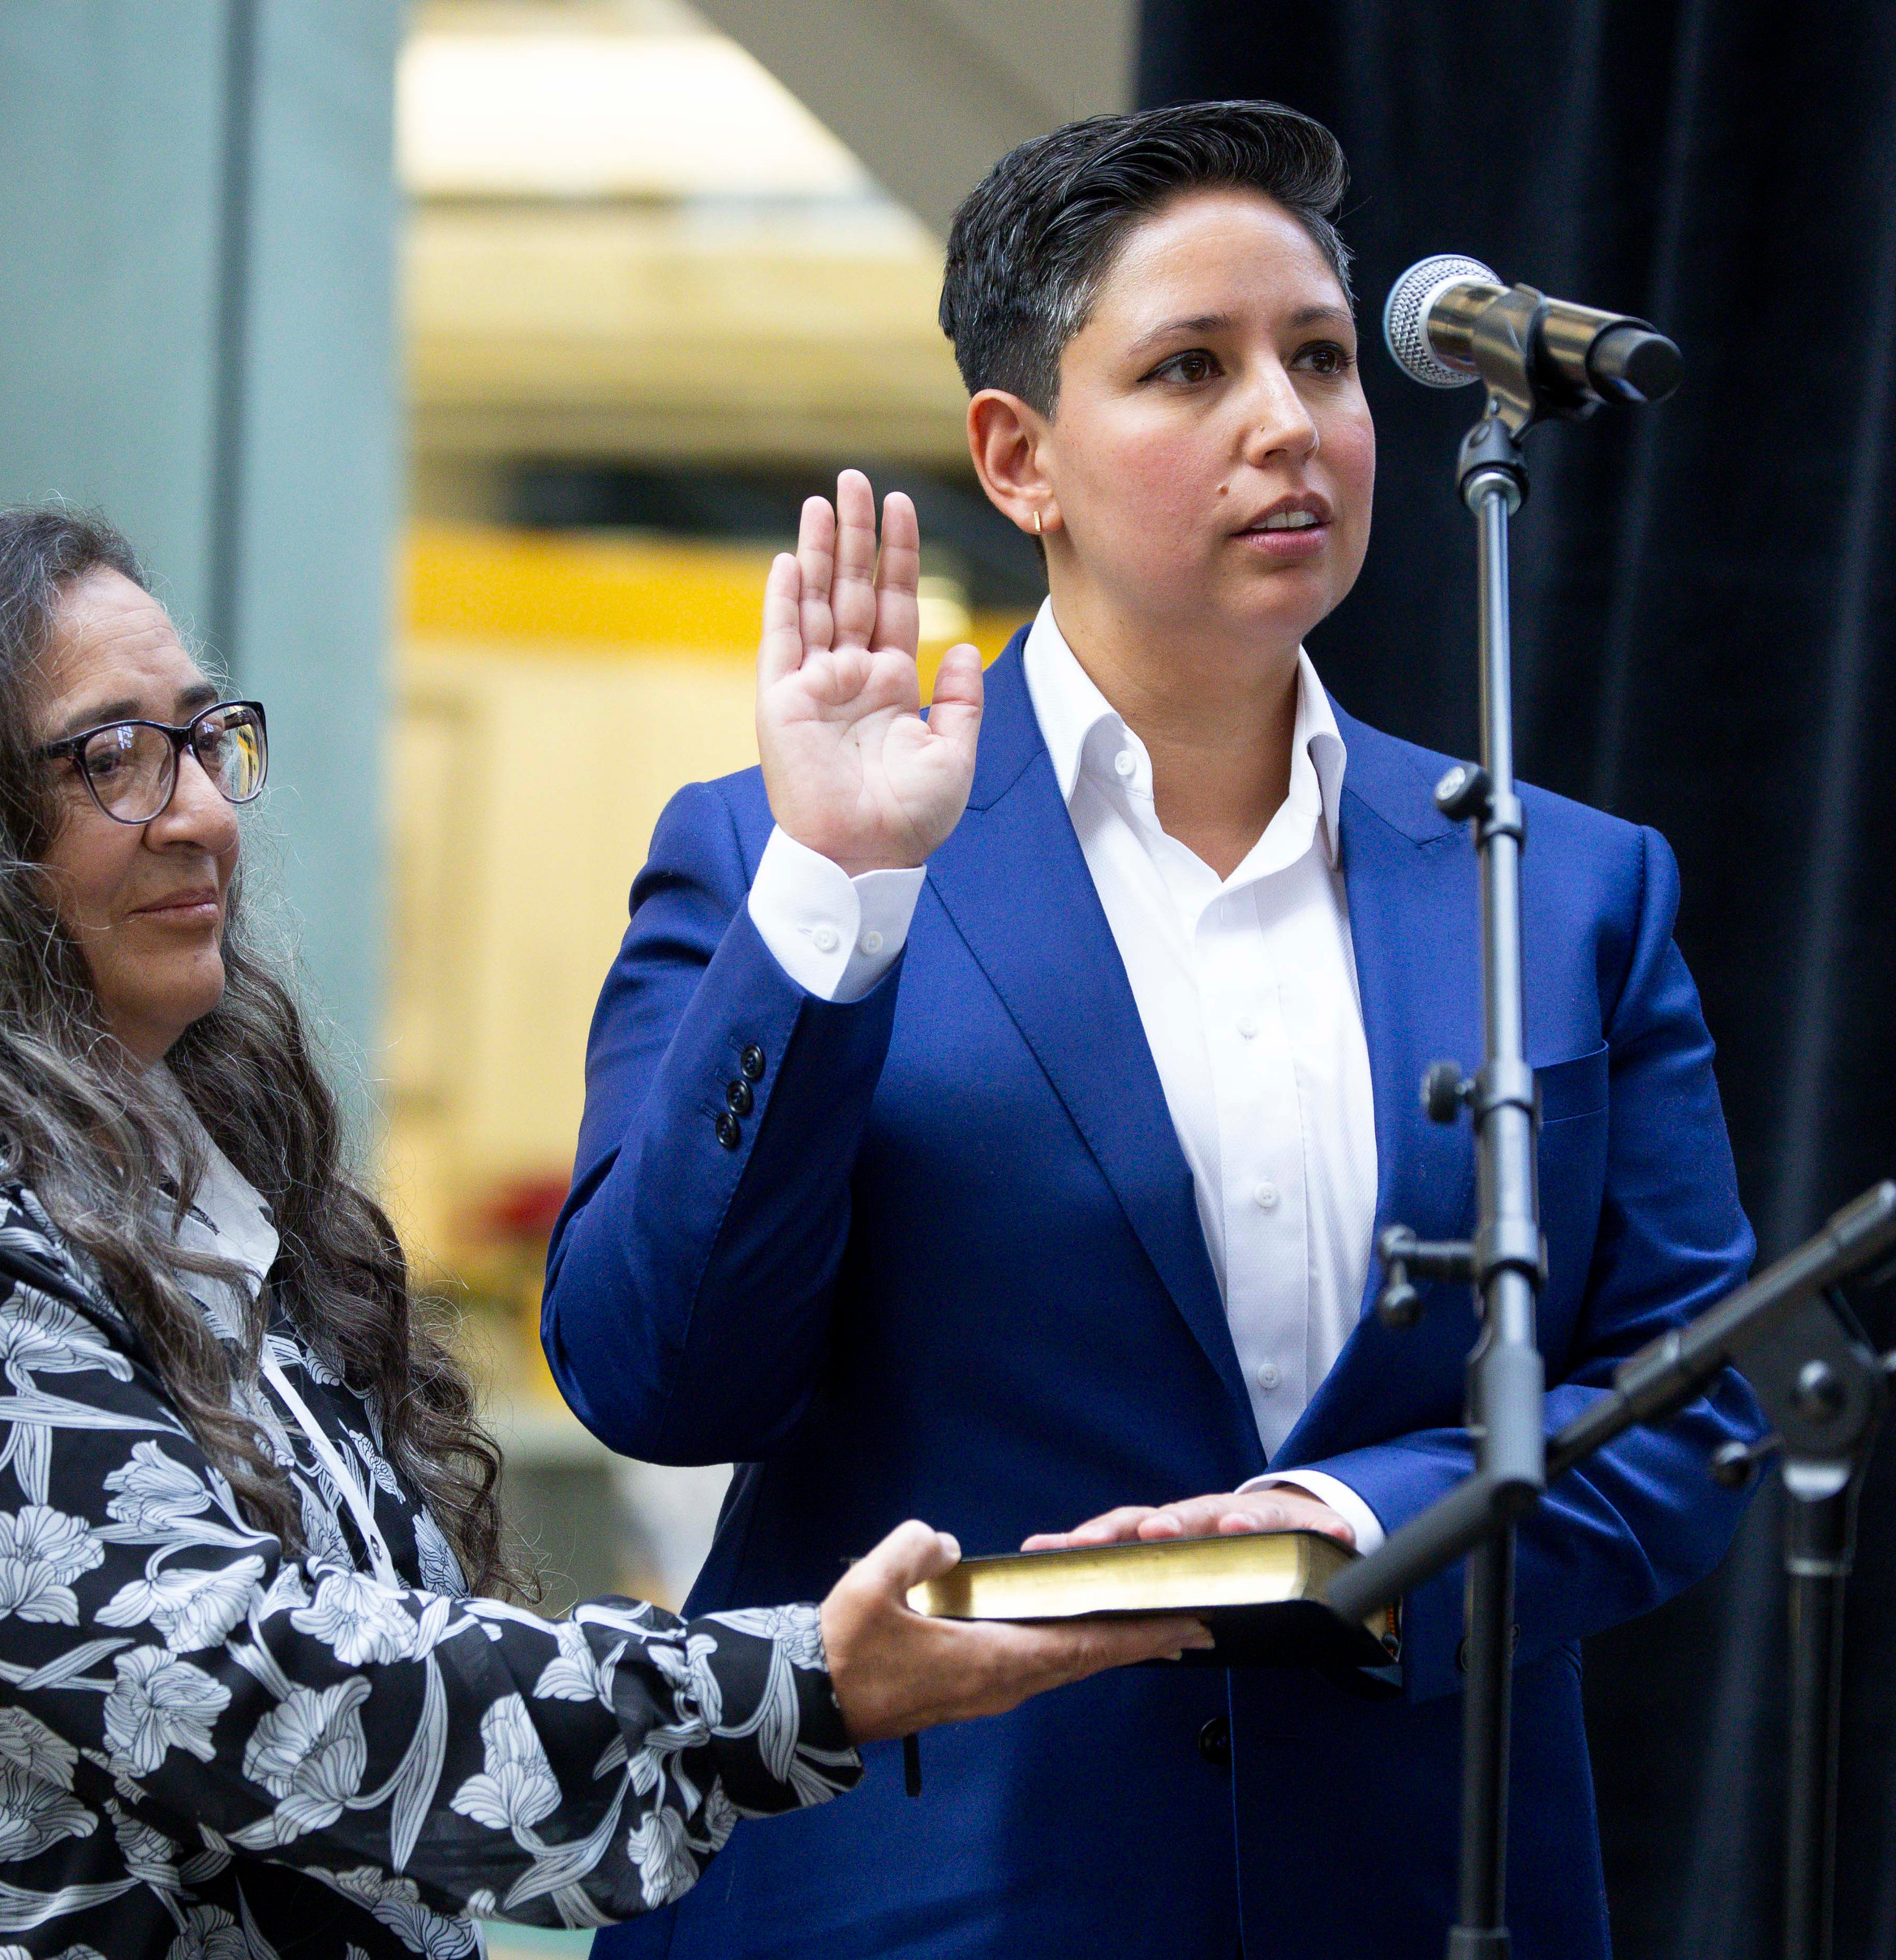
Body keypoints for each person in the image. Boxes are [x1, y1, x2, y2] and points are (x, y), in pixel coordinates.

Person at [0, 509, 1205, 1960]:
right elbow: (209, 1666)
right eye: (106, 757)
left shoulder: (195, 1151)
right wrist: (801, 1682)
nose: (199, 812)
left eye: (202, 737)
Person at [544, 101, 1762, 1958]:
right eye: (1191, 367)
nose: (1288, 422)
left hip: (1424, 1892)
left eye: (1323, 359)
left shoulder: (1568, 884)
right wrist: (842, 896)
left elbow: (1693, 1403)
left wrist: (1343, 1523)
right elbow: (657, 1378)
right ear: (1019, 457)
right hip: (926, 1893)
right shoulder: (768, 852)